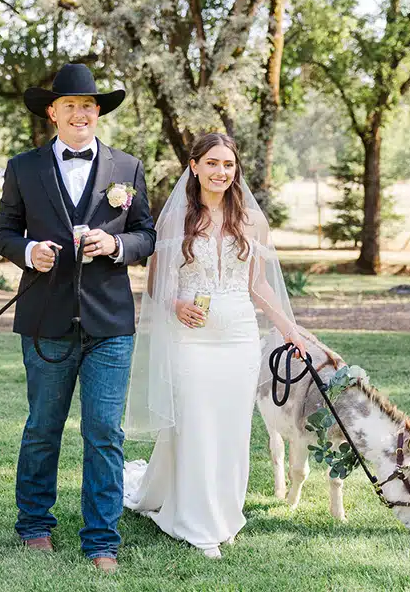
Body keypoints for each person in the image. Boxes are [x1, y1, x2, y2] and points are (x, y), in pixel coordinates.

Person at [0, 63, 156, 573]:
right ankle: (35, 525)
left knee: (105, 432)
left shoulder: (126, 168)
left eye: (89, 105)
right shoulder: (24, 167)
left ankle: (102, 538)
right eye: (70, 106)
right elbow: (3, 232)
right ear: (52, 113)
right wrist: (28, 250)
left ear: (98, 112)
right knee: (43, 426)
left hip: (109, 322)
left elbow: (147, 234)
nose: (81, 113)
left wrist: (116, 243)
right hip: (45, 319)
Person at [123, 133, 313, 559]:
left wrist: (290, 331)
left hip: (240, 339)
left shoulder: (251, 220)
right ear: (194, 166)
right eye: (211, 163)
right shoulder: (176, 220)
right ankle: (196, 522)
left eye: (228, 165)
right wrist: (177, 304)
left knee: (230, 429)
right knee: (195, 424)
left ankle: (225, 514)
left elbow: (259, 285)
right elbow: (155, 282)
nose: (220, 172)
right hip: (192, 339)